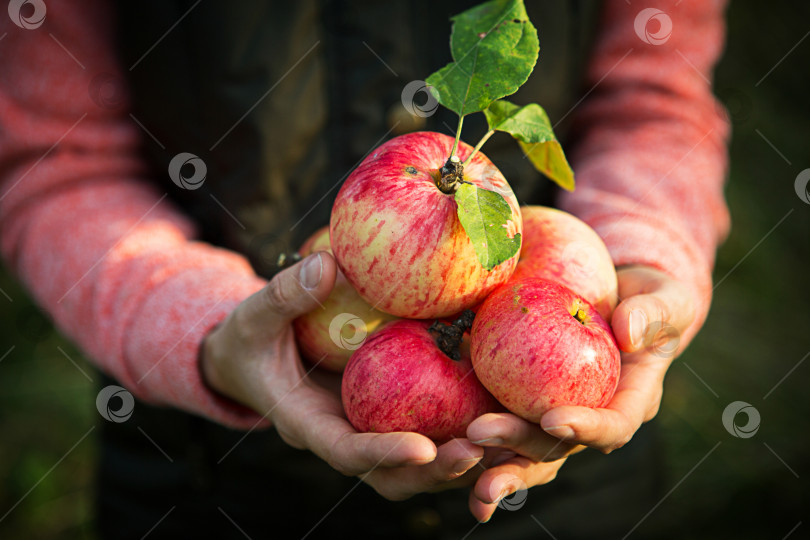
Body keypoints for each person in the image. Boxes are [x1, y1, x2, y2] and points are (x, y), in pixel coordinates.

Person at [0, 0, 730, 538]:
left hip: (561, 472)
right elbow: (56, 164)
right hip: (210, 477)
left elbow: (654, 103)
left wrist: (643, 252)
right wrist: (205, 332)